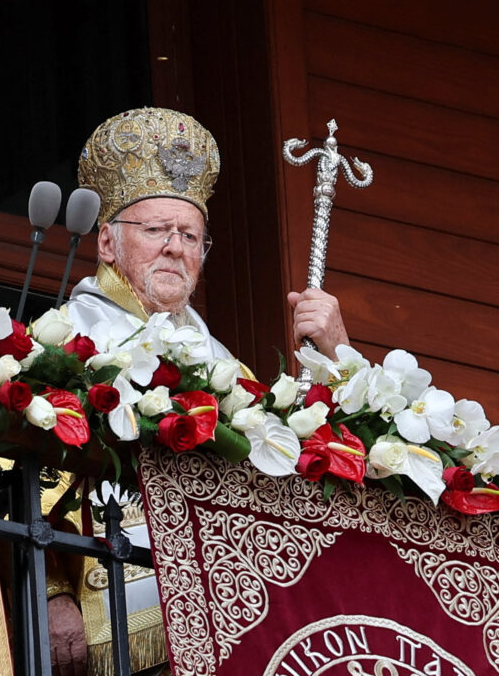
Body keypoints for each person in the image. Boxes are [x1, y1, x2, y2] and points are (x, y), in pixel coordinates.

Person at [50, 107, 349, 675]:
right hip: (107, 612)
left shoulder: (224, 367)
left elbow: (307, 464)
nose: (174, 246)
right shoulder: (67, 338)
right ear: (108, 243)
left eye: (190, 235)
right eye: (156, 229)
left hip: (218, 623)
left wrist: (335, 351)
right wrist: (47, 592)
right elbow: (10, 467)